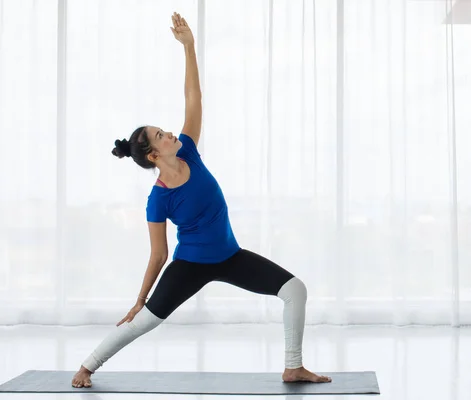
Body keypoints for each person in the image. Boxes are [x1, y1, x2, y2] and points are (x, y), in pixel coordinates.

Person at [71, 12, 332, 389]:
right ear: (153, 157)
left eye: (165, 130)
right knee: (144, 322)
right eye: (161, 136)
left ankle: (293, 367)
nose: (171, 133)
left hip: (230, 256)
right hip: (189, 265)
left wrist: (189, 48)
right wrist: (140, 299)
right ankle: (87, 366)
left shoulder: (189, 151)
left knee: (295, 290)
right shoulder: (157, 200)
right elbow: (158, 256)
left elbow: (193, 97)